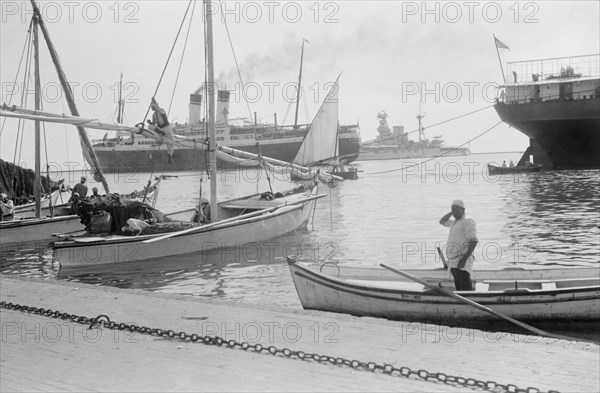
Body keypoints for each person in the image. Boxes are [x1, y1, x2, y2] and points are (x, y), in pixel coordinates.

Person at [439, 200, 478, 291]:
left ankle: (468, 303)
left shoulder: (467, 221)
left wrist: (463, 260)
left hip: (462, 262)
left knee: (464, 290)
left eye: (457, 210)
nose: (454, 212)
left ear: (463, 210)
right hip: (454, 262)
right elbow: (442, 221)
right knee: (460, 288)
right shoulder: (455, 222)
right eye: (453, 210)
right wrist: (451, 213)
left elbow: (474, 241)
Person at [148, 98, 175, 163]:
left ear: (154, 106)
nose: (151, 108)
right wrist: (150, 122)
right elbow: (154, 123)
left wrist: (154, 101)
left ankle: (170, 155)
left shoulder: (161, 110)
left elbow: (158, 108)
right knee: (150, 126)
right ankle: (161, 133)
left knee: (170, 142)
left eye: (152, 107)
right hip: (160, 129)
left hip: (166, 127)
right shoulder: (153, 115)